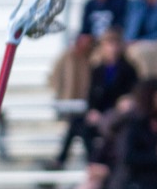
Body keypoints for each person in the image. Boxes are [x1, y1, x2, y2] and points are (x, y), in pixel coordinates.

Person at [50, 25, 136, 169]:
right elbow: (92, 95)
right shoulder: (98, 70)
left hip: (117, 116)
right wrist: (93, 110)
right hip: (102, 114)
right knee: (78, 124)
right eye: (108, 45)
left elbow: (130, 93)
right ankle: (75, 161)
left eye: (114, 44)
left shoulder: (128, 69)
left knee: (90, 128)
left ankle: (93, 162)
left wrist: (123, 102)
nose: (112, 49)